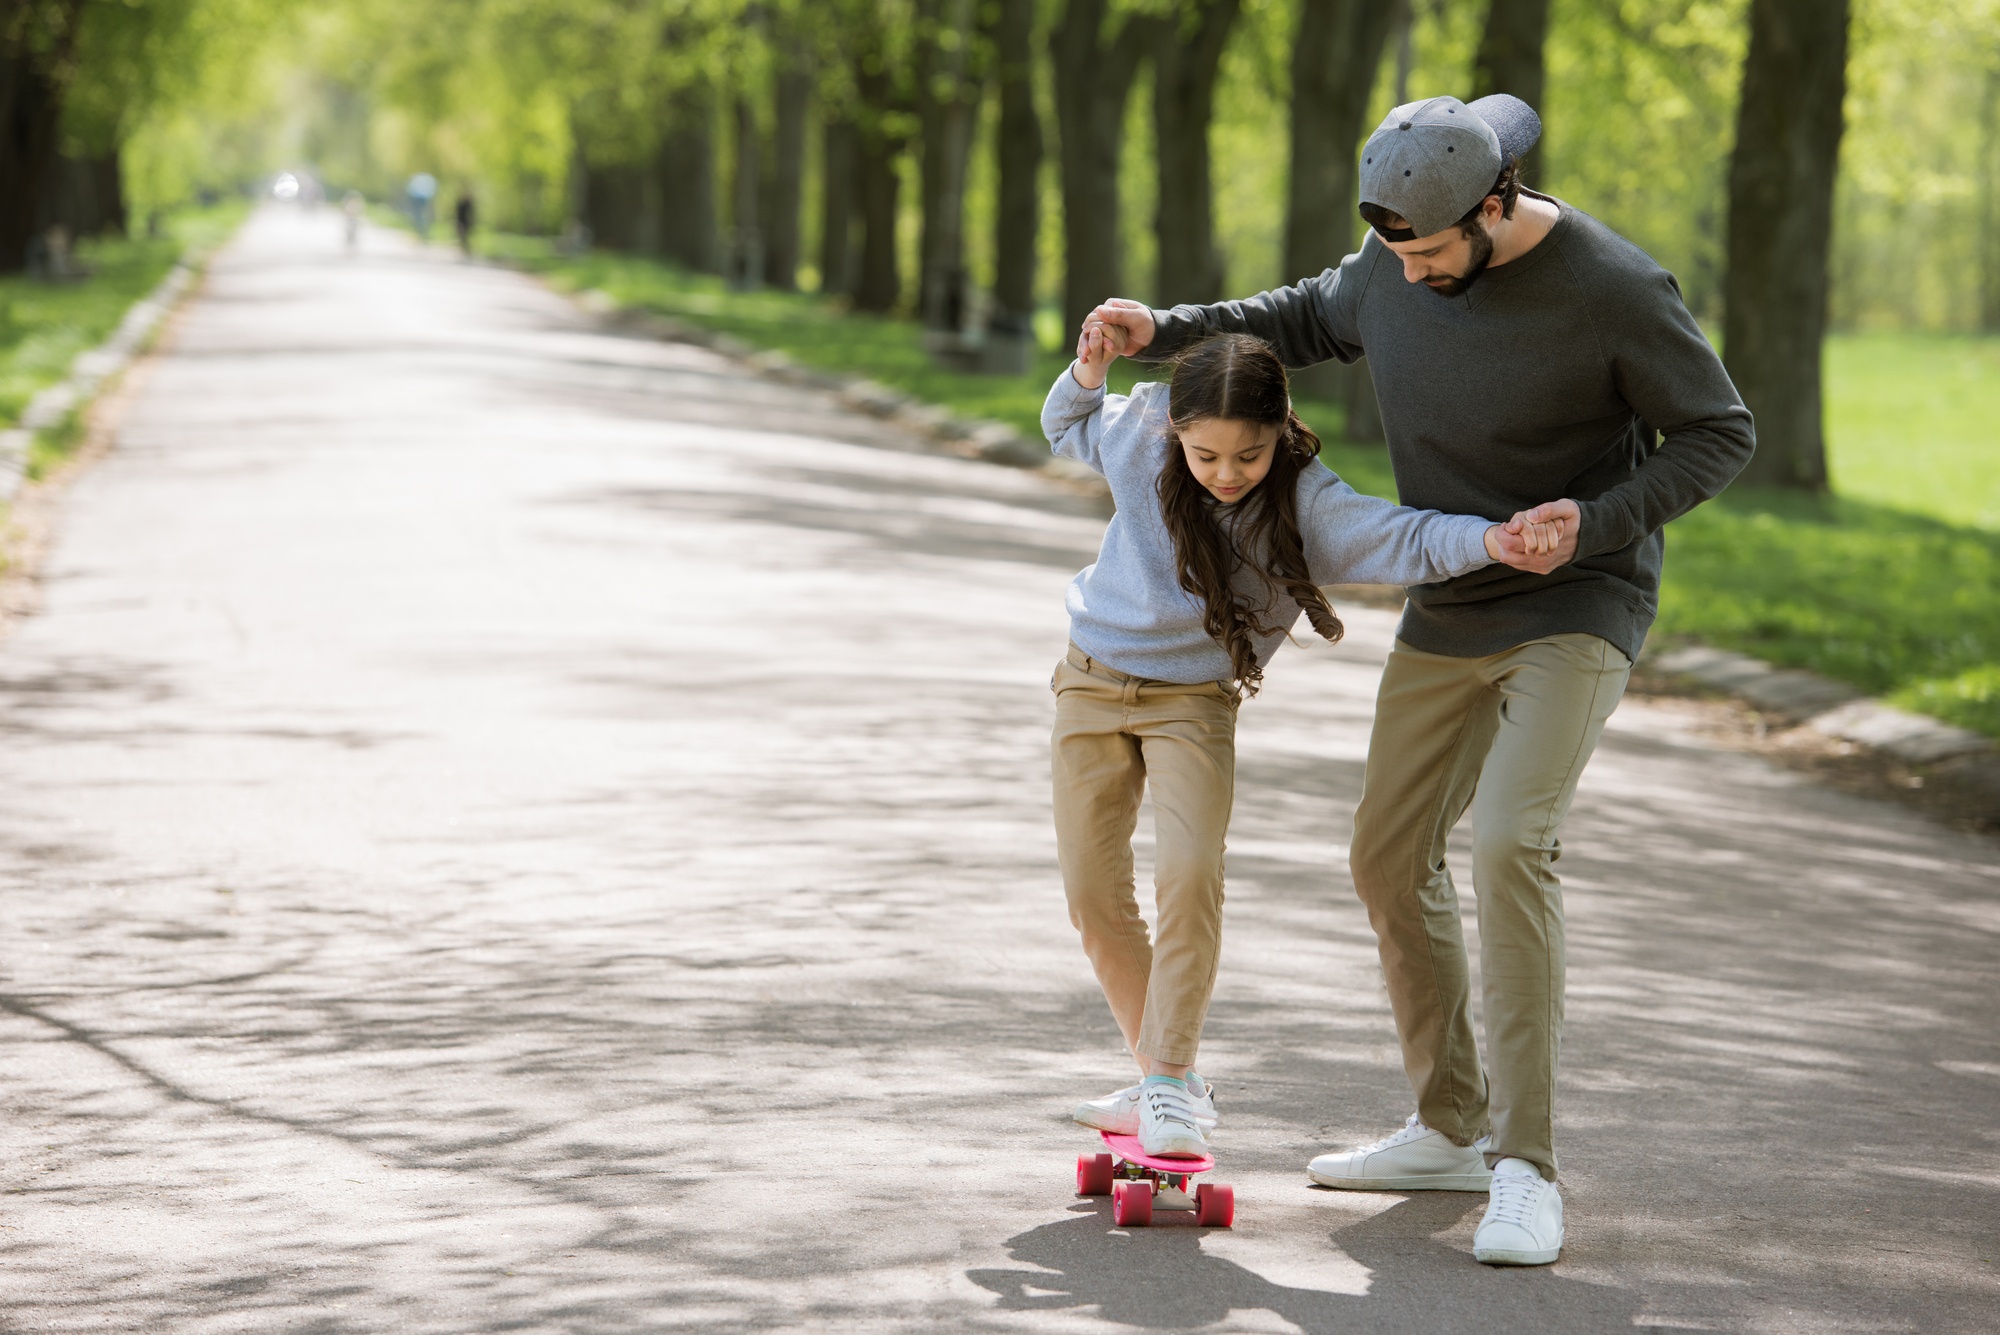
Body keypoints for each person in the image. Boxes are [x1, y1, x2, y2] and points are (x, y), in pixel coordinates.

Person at [1086, 93, 1754, 1264]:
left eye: (1432, 250)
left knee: (1507, 842)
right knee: (1387, 856)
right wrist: (1164, 325)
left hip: (1574, 597)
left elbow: (1718, 431)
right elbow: (1299, 315)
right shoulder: (1392, 265)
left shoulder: (1612, 287)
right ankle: (1448, 1125)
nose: (1409, 273)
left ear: (1496, 205)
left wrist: (1595, 520)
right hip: (1454, 600)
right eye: (1392, 253)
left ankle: (1524, 1167)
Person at [1044, 324, 1568, 1161]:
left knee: (1188, 872)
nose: (1222, 475)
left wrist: (1493, 540)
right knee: (1093, 898)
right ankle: (1161, 1078)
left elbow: (1405, 537)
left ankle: (1171, 1081)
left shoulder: (1308, 504)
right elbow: (1069, 426)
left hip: (1194, 704)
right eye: (1203, 455)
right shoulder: (1143, 432)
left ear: (1281, 426)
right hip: (1091, 680)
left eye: (1246, 456)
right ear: (1173, 431)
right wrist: (1088, 370)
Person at [454, 191, 476, 256]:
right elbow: (458, 214)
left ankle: (466, 247)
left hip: (467, 222)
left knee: (467, 235)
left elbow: (472, 214)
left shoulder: (469, 204)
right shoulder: (461, 204)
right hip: (461, 221)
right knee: (462, 235)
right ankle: (463, 247)